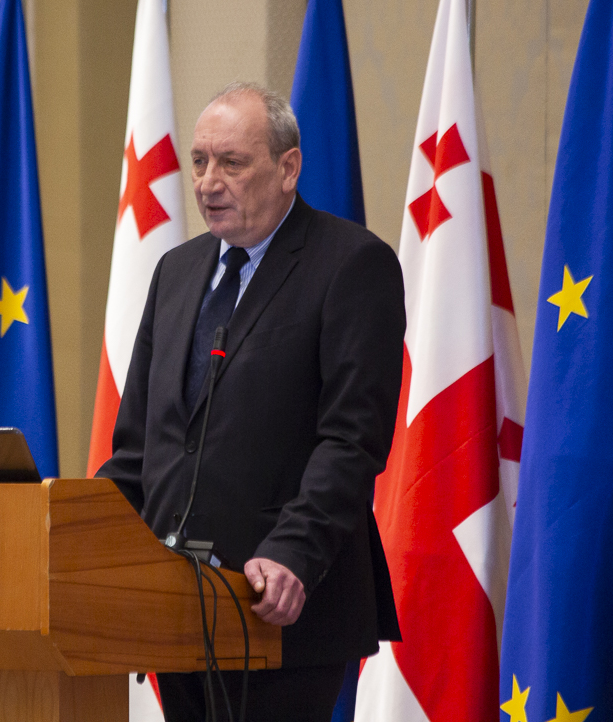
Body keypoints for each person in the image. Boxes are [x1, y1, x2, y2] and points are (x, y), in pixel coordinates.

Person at [96, 82, 405, 722]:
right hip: (175, 604)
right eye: (199, 162)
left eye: (231, 163)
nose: (208, 182)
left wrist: (293, 552)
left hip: (281, 603)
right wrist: (75, 533)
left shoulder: (351, 265)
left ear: (288, 168)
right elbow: (139, 450)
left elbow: (352, 441)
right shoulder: (176, 271)